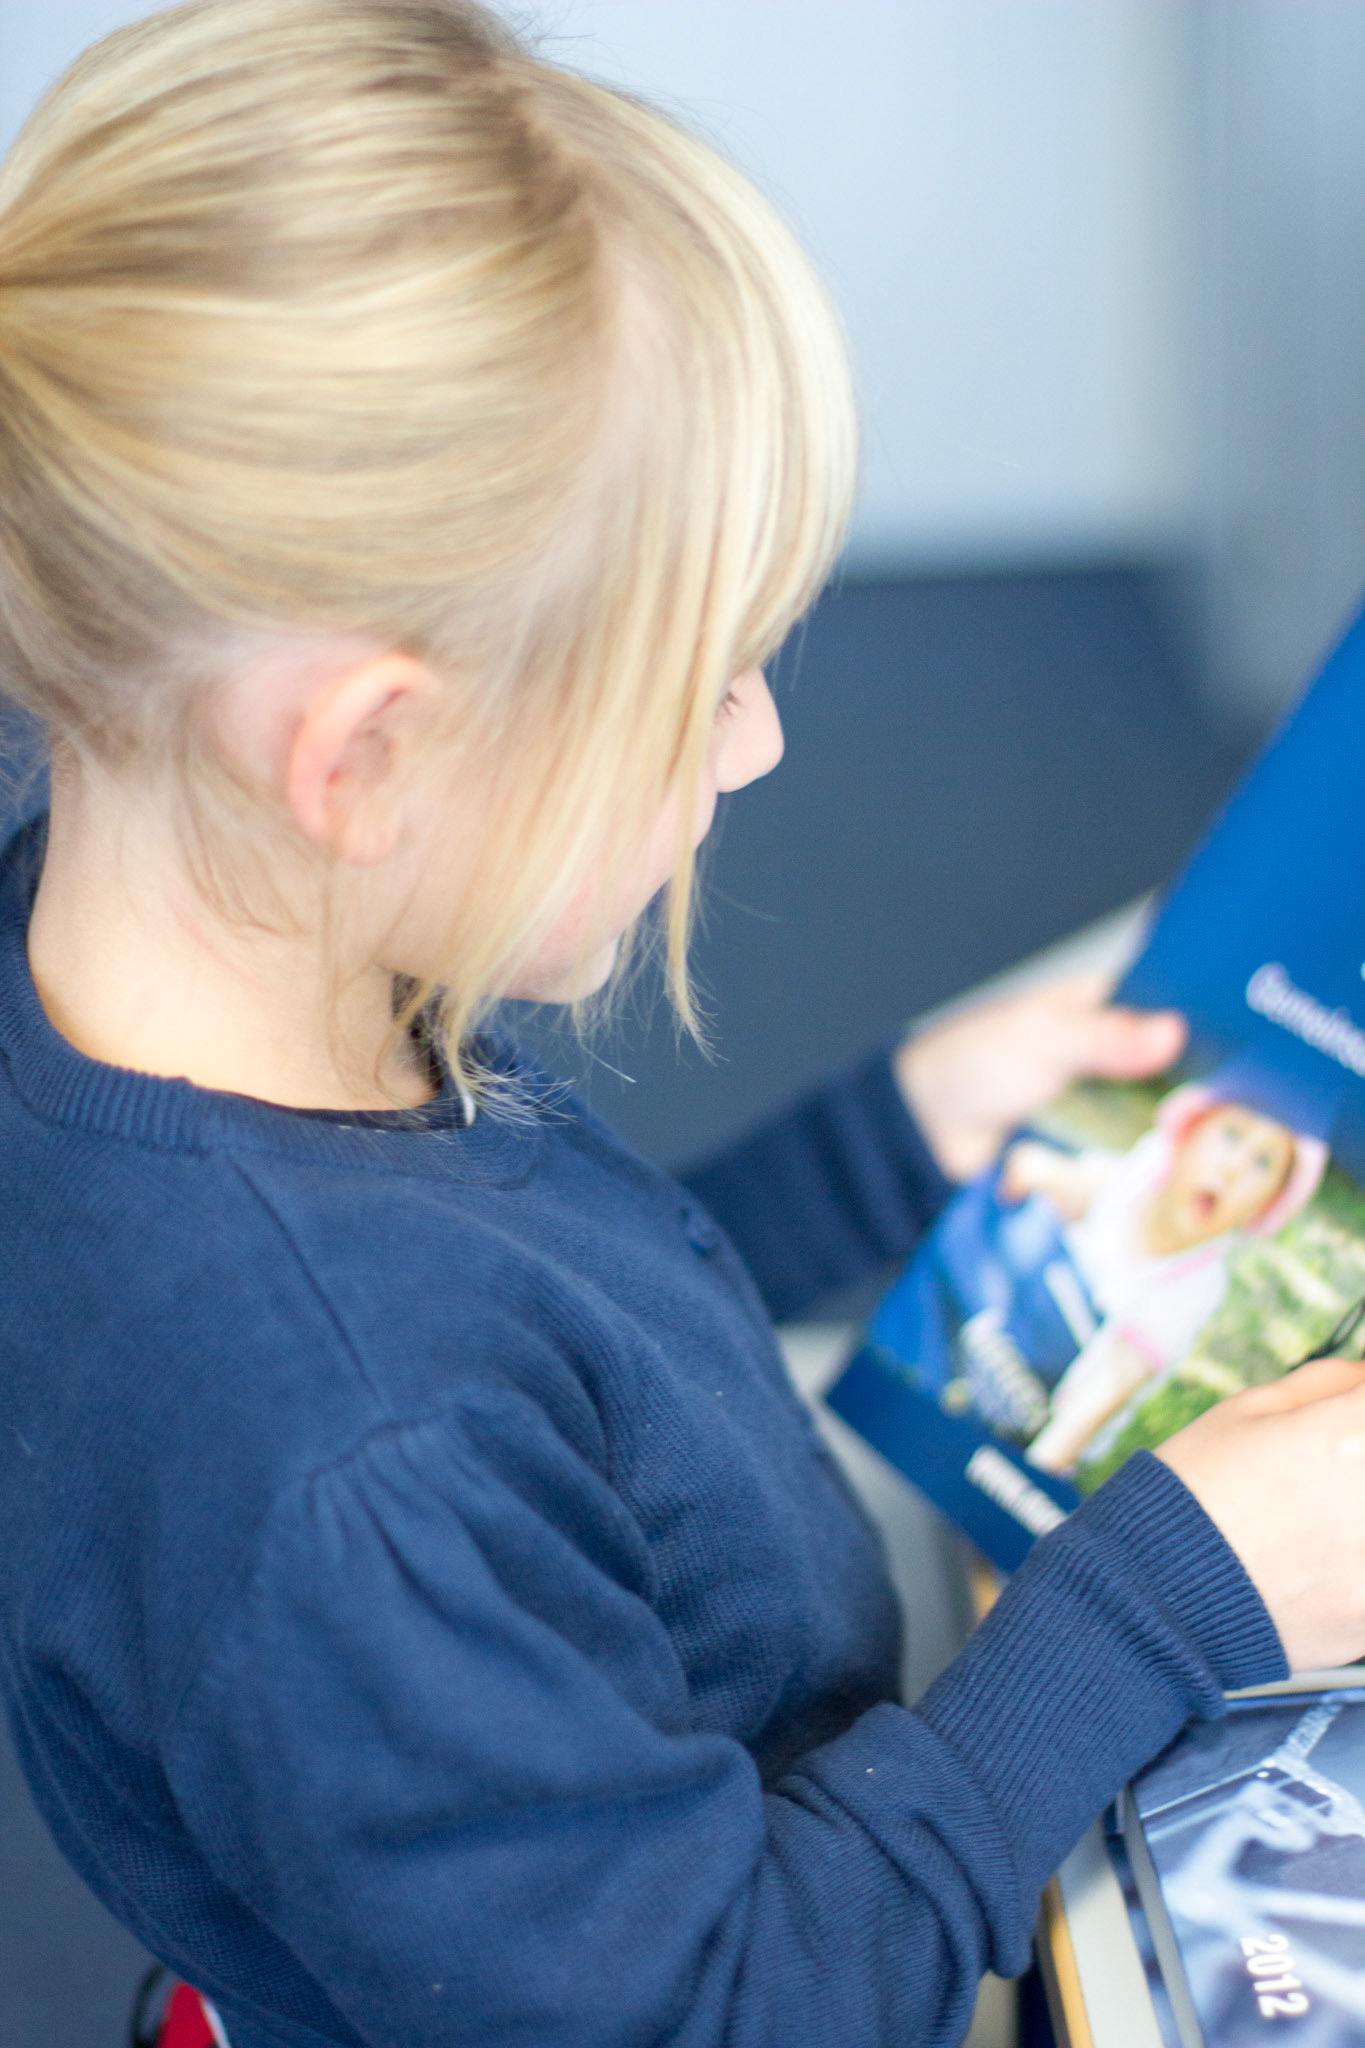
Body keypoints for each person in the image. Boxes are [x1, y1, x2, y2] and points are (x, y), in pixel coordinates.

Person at [1, 7, 1365, 2047]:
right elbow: (717, 2004)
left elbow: (529, 1334)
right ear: (362, 757)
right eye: (702, 681)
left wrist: (881, 1142)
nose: (760, 741)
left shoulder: (135, 909)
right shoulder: (351, 1460)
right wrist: (1172, 1592)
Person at [999, 1082, 1328, 1473]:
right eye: (1231, 1135)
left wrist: (1032, 1468)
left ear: (1265, 1206)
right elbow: (1080, 1183)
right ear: (1188, 1134)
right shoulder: (1141, 1172)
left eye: (1262, 1163)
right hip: (1019, 1317)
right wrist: (1041, 1171)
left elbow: (1100, 1397)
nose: (1233, 1168)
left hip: (1046, 1401)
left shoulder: (1195, 1289)